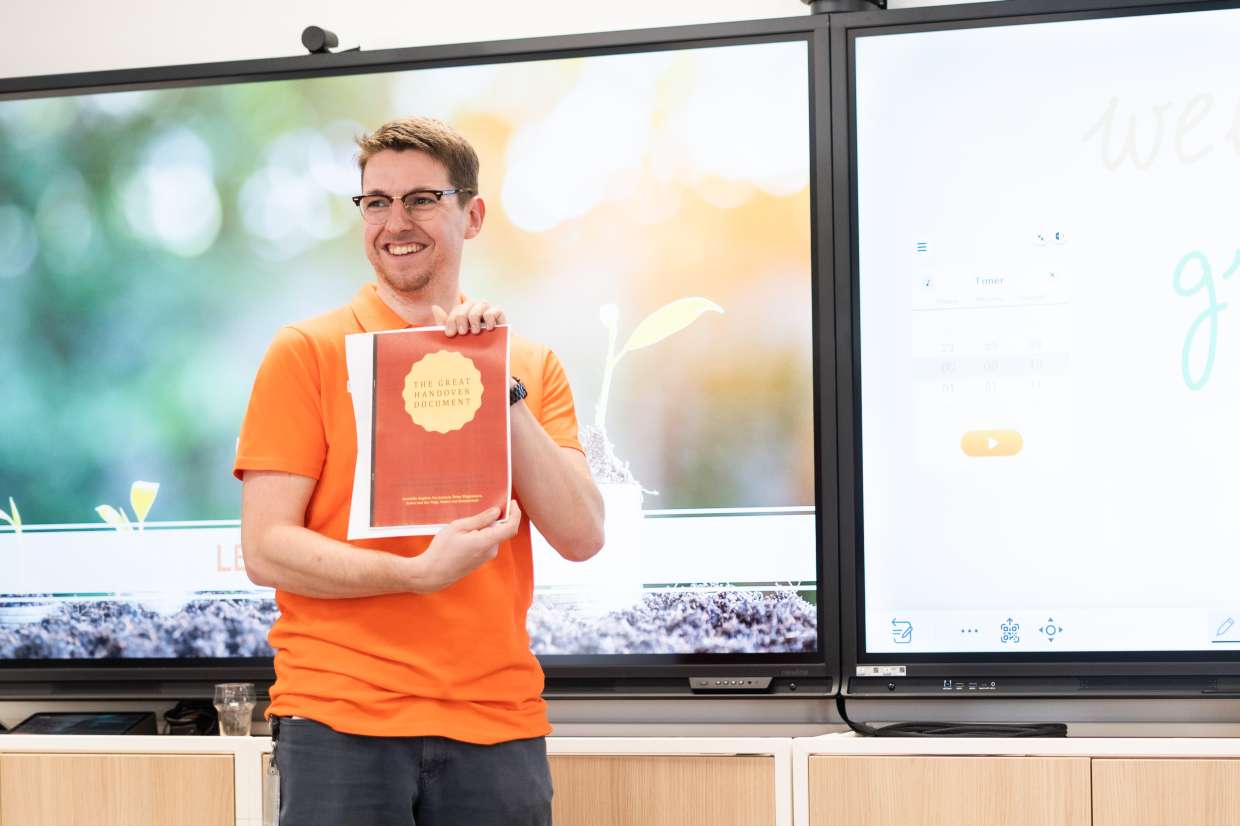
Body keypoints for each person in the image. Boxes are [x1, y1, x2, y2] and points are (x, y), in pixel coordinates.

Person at [233, 116, 605, 826]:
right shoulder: (305, 352)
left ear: (473, 215)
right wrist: (413, 574)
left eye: (421, 199)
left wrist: (495, 380)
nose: (394, 222)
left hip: (496, 724)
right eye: (375, 202)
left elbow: (582, 533)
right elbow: (265, 548)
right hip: (340, 720)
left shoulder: (529, 366)